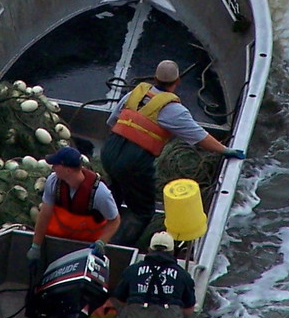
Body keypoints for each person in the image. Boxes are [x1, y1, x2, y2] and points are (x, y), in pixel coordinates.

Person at [101, 59, 246, 244]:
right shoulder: (174, 110)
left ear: (154, 78)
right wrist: (226, 150)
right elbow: (200, 137)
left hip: (109, 152)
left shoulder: (133, 94)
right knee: (142, 211)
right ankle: (116, 247)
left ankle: (98, 233)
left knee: (113, 195)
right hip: (133, 163)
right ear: (177, 82)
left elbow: (112, 121)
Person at [26, 146, 121, 269]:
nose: (53, 167)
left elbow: (115, 220)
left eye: (56, 164)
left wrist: (101, 242)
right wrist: (36, 246)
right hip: (57, 242)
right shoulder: (53, 181)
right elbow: (44, 215)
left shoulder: (100, 193)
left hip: (86, 248)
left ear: (68, 170)